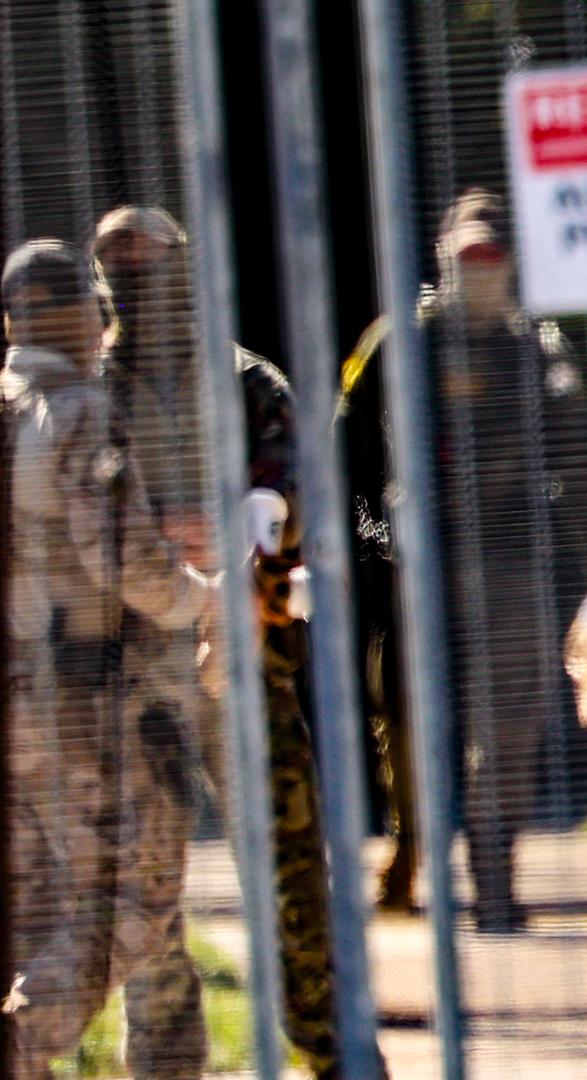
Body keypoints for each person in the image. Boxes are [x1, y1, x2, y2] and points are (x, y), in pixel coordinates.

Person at [92, 205, 373, 1079]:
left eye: (152, 265)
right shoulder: (88, 388)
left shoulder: (247, 382)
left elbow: (294, 488)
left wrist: (240, 533)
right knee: (147, 894)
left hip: (244, 665)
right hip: (130, 678)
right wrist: (147, 541)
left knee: (289, 870)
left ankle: (328, 1052)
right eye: (119, 268)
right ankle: (168, 1066)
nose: (138, 284)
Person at [341, 188, 587, 933]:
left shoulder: (537, 348)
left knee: (508, 728)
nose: (480, 269)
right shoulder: (398, 342)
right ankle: (410, 852)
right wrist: (370, 543)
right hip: (412, 561)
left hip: (512, 557)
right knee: (410, 720)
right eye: (467, 257)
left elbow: (576, 461)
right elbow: (345, 453)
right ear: (442, 261)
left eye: (492, 256)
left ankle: (494, 883)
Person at [2, 239, 218, 1077]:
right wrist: (208, 599)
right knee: (138, 899)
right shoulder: (82, 412)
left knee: (35, 914)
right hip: (81, 703)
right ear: (87, 316)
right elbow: (126, 561)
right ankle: (27, 1040)